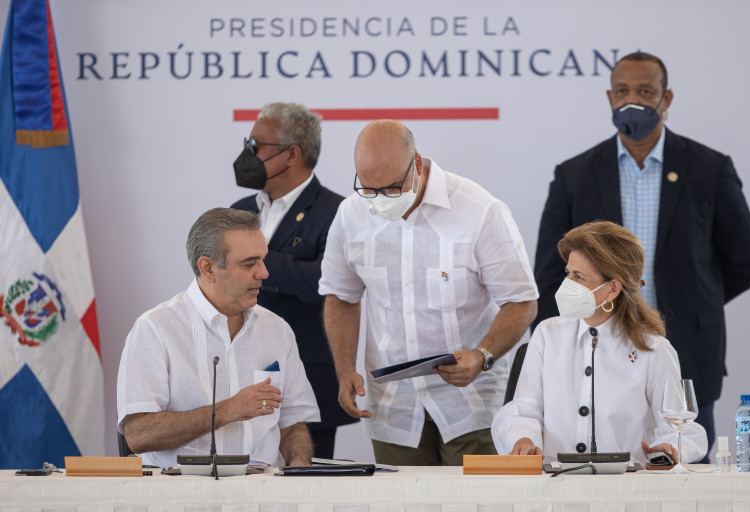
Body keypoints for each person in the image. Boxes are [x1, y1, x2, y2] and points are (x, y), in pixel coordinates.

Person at [533, 52, 750, 460]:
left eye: (645, 91)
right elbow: (551, 270)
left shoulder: (709, 168)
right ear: (609, 98)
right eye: (622, 91)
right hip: (598, 347)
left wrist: (693, 302)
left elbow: (745, 262)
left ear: (665, 98)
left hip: (688, 346)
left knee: (681, 458)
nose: (632, 101)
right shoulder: (575, 174)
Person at [319, 119, 539, 466]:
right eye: (369, 189)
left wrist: (482, 355)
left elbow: (521, 302)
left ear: (417, 163)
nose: (381, 200)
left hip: (472, 404)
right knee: (402, 497)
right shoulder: (351, 215)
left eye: (392, 187)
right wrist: (345, 368)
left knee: (475, 497)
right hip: (393, 408)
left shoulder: (479, 210)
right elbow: (340, 298)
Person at [116, 208, 320, 468]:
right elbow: (139, 434)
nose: (264, 273)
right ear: (208, 267)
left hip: (264, 487)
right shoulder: (155, 328)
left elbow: (293, 424)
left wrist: (298, 468)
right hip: (180, 488)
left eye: (263, 260)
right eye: (249, 263)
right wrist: (227, 410)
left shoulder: (276, 329)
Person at [494, 221, 708, 464]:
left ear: (612, 289)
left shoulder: (653, 350)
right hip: (554, 480)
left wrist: (670, 448)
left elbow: (680, 428)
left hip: (625, 482)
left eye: (579, 276)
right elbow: (524, 410)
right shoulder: (547, 334)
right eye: (568, 273)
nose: (567, 284)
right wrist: (523, 439)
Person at [231, 101, 354, 459]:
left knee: (308, 478)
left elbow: (323, 282)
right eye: (247, 143)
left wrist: (252, 260)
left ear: (293, 154)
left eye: (256, 145)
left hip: (309, 376)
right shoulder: (240, 210)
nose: (247, 154)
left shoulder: (338, 211)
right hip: (240, 376)